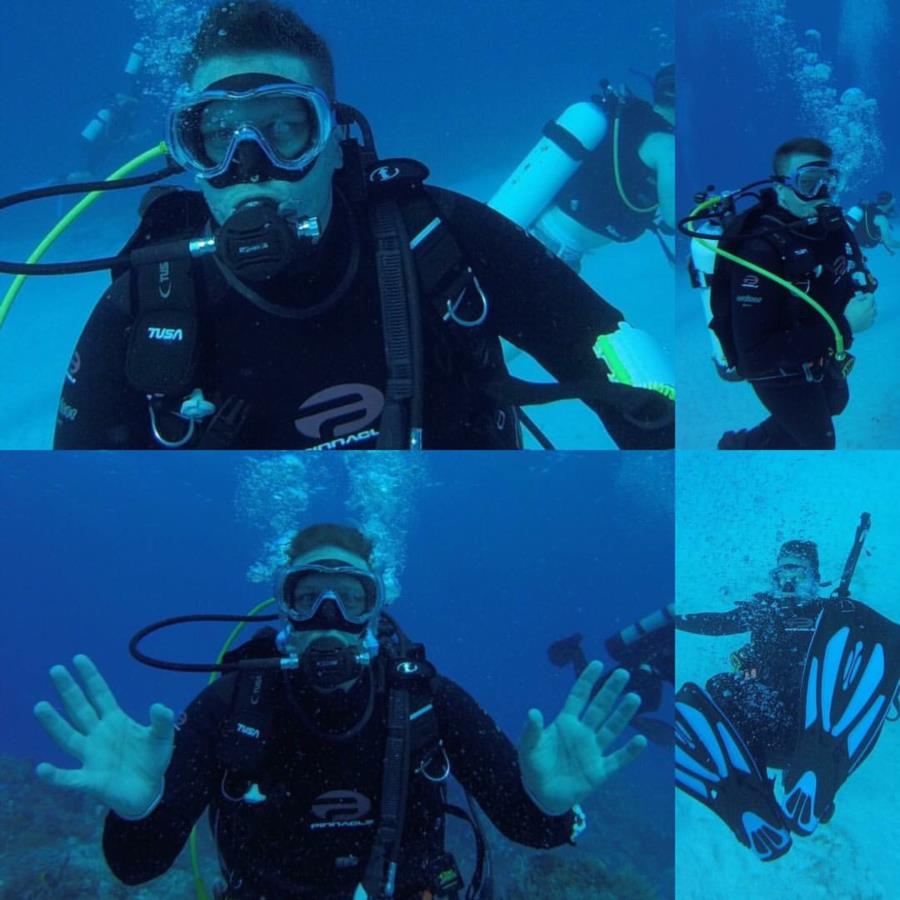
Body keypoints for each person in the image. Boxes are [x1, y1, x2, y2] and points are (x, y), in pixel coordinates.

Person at [46, 0, 673, 451]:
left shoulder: (440, 237)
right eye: (215, 136)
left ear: (336, 143)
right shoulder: (149, 307)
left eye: (285, 130)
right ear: (189, 156)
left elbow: (615, 354)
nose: (250, 169)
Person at [33, 523, 647, 900]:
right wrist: (139, 811)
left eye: (351, 598)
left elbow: (529, 829)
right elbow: (135, 867)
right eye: (308, 596)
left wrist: (549, 804)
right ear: (285, 610)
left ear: (375, 614)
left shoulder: (424, 698)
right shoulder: (235, 700)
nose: (330, 617)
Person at [674, 534, 900, 861]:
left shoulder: (833, 616)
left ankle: (817, 781)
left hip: (820, 729)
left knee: (854, 640)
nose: (789, 582)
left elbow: (875, 660)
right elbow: (718, 623)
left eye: (799, 574)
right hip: (771, 736)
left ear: (816, 578)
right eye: (782, 574)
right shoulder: (762, 613)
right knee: (723, 684)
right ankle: (752, 797)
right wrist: (675, 620)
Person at [708, 137, 877, 450]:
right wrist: (845, 325)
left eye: (829, 182)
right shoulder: (761, 251)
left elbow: (832, 281)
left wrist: (856, 289)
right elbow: (756, 356)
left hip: (816, 349)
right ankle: (739, 451)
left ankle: (747, 441)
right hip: (777, 370)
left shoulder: (831, 227)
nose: (821, 194)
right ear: (782, 186)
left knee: (834, 405)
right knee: (819, 443)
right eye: (809, 183)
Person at [491, 65, 675, 274]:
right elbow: (675, 218)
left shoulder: (625, 120)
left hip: (536, 234)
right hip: (548, 253)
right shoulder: (667, 146)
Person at [547, 604, 674, 745]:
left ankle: (574, 651)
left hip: (649, 659)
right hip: (647, 659)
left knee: (598, 692)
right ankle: (574, 651)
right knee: (648, 701)